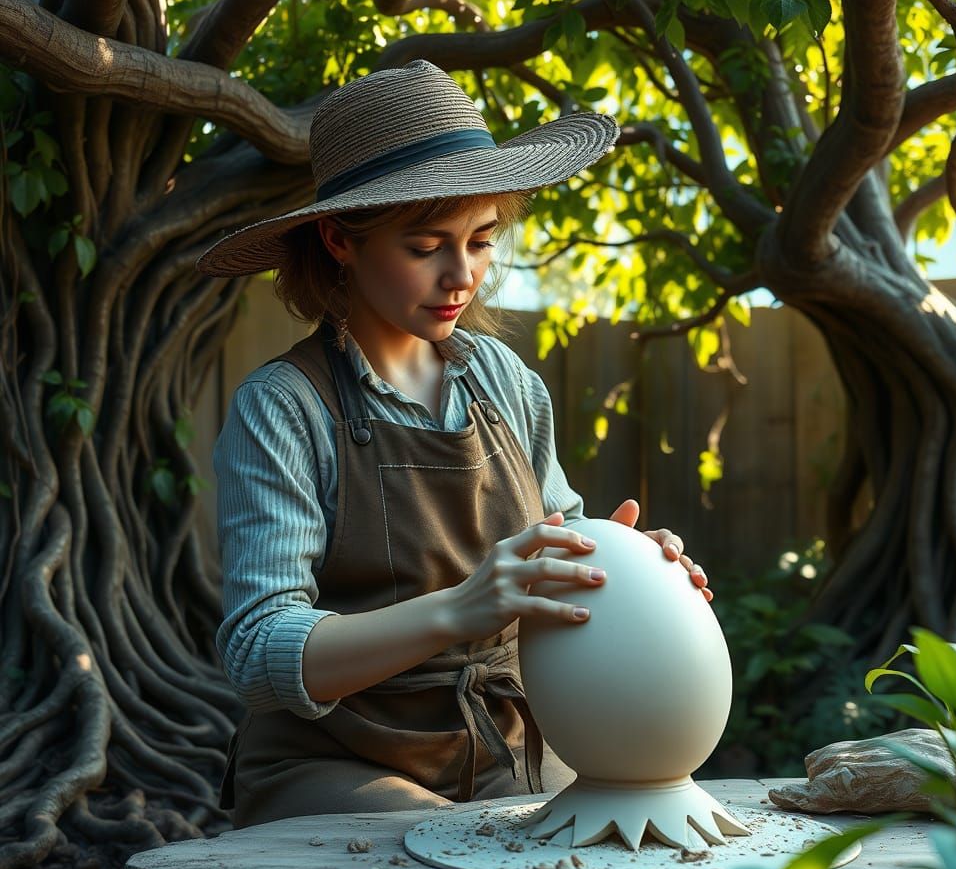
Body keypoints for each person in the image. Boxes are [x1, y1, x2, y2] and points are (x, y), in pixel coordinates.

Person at [197, 60, 712, 828]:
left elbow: (557, 556)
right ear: (340, 239)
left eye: (480, 240)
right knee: (434, 866)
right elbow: (260, 653)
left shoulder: (504, 381)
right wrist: (461, 609)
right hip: (336, 762)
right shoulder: (284, 407)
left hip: (511, 745)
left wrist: (627, 568)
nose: (460, 275)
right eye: (426, 246)